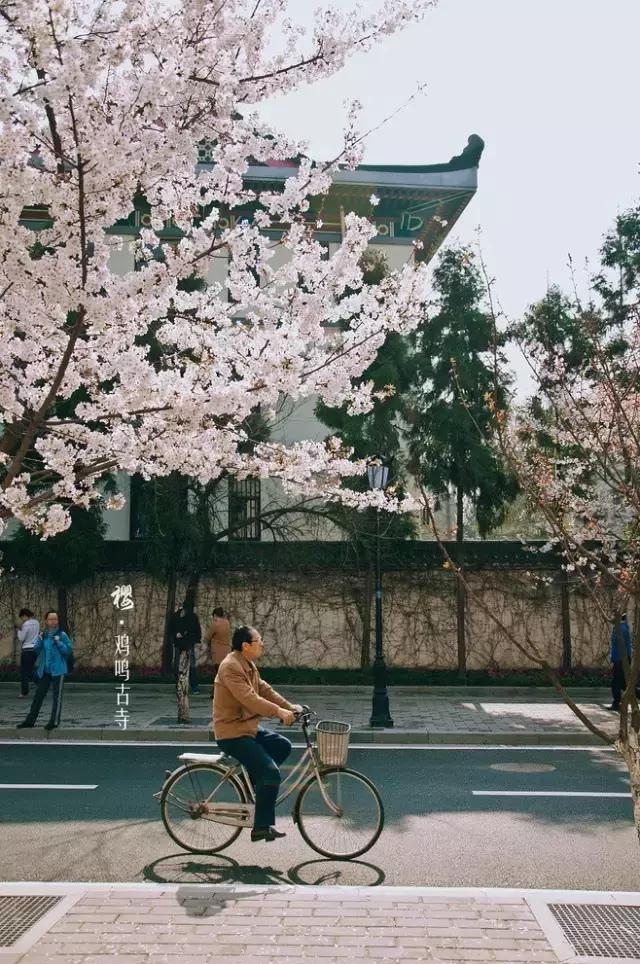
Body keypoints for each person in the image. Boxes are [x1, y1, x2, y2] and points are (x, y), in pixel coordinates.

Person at [214, 625, 302, 843]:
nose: (262, 643)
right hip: (232, 733)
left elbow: (264, 690)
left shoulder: (248, 665)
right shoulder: (230, 667)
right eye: (258, 640)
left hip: (248, 728)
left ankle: (253, 784)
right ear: (245, 646)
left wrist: (290, 707)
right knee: (271, 774)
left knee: (282, 746)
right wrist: (279, 712)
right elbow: (250, 699)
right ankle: (261, 826)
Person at [17, 611, 73, 731]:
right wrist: (40, 640)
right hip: (46, 671)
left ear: (57, 621)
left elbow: (68, 651)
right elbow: (37, 650)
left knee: (57, 698)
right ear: (46, 621)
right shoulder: (45, 635)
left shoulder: (62, 635)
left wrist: (59, 642)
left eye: (55, 619)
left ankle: (54, 722)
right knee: (38, 696)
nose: (52, 621)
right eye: (50, 619)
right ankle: (30, 721)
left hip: (58, 671)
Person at [170, 597, 202, 695]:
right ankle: (184, 686)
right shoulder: (178, 616)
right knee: (179, 665)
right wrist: (176, 635)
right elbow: (171, 629)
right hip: (182, 643)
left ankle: (191, 686)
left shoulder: (191, 617)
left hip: (187, 643)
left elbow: (196, 630)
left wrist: (192, 638)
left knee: (189, 665)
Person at [608, 613, 633, 711]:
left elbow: (621, 646)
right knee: (623, 683)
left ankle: (616, 703)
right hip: (620, 659)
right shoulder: (621, 628)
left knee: (616, 683)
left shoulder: (621, 629)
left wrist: (617, 659)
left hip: (621, 660)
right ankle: (616, 703)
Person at [16, 607, 40, 698]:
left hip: (27, 650)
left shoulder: (26, 624)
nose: (22, 620)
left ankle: (24, 692)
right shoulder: (37, 622)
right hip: (35, 650)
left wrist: (19, 630)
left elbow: (22, 638)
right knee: (29, 671)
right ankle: (42, 686)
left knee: (24, 672)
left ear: (25, 615)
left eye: (22, 617)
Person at [205, 607, 231, 681]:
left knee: (218, 673)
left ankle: (217, 690)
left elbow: (208, 636)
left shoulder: (215, 625)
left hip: (217, 651)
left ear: (215, 615)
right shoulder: (227, 622)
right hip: (226, 650)